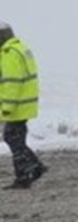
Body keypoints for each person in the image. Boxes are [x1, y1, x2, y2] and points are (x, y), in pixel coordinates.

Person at [0, 22, 47, 189]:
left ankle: (27, 173)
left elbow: (12, 83)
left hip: (17, 106)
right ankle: (32, 169)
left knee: (12, 138)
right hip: (25, 105)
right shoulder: (19, 48)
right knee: (15, 139)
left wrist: (6, 108)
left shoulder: (9, 54)